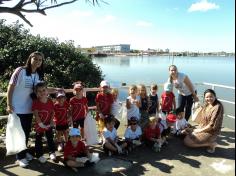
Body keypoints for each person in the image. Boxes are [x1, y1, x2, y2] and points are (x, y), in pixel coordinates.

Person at [6, 51, 44, 167]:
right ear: (30, 59)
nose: (37, 61)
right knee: (19, 133)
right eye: (35, 59)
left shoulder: (38, 74)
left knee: (26, 132)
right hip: (17, 108)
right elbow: (10, 86)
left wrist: (57, 89)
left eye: (40, 60)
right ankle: (20, 157)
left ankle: (24, 152)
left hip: (29, 108)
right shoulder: (20, 71)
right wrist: (9, 104)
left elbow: (41, 89)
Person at [184, 89, 224, 153]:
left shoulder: (218, 107)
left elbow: (211, 125)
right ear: (204, 98)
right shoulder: (207, 104)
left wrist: (198, 131)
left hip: (211, 132)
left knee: (187, 142)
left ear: (215, 96)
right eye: (207, 97)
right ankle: (199, 138)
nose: (209, 98)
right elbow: (201, 117)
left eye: (211, 96)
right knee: (184, 131)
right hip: (202, 127)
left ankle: (210, 144)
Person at [32, 82, 56, 163]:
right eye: (39, 91)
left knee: (50, 138)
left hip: (48, 124)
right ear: (36, 93)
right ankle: (39, 155)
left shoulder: (50, 101)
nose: (42, 92)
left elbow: (53, 112)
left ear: (47, 91)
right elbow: (36, 114)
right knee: (38, 140)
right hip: (40, 125)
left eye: (43, 90)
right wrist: (41, 125)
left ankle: (52, 152)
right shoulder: (36, 102)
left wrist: (52, 120)